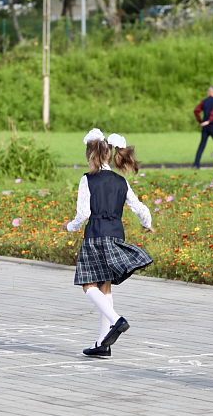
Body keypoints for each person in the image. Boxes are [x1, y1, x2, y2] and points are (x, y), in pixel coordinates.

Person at [63, 129, 154, 358]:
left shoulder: (88, 179)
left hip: (95, 236)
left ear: (92, 156)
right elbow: (139, 208)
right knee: (105, 287)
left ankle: (116, 320)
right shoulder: (121, 181)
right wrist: (147, 223)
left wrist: (69, 227)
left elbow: (83, 213)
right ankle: (103, 345)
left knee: (88, 286)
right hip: (115, 236)